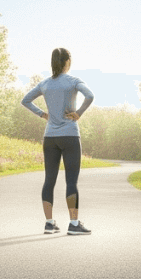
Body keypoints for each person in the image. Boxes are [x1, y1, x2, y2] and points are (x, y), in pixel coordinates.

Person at [20, 47, 94, 235]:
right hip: (70, 135)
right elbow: (90, 96)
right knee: (71, 181)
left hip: (50, 137)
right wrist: (78, 113)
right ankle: (74, 224)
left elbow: (25, 100)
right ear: (67, 61)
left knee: (49, 180)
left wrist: (42, 114)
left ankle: (49, 223)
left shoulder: (44, 84)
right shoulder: (73, 81)